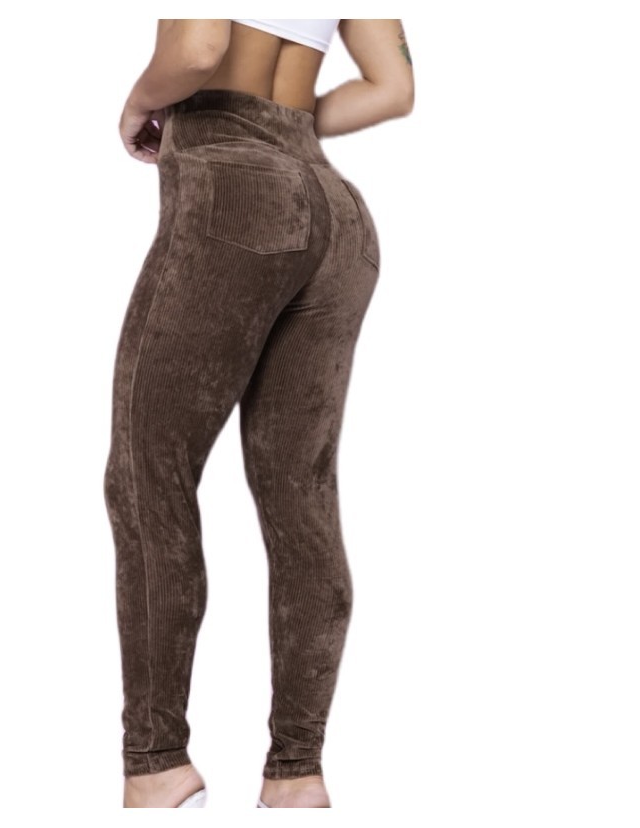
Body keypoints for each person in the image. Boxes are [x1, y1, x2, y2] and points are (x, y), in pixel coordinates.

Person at [103, 19, 414, 808]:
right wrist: (294, 120)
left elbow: (199, 49)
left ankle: (157, 766)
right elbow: (393, 89)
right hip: (335, 213)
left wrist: (140, 103)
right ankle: (296, 774)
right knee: (302, 498)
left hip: (233, 190)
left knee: (148, 475)